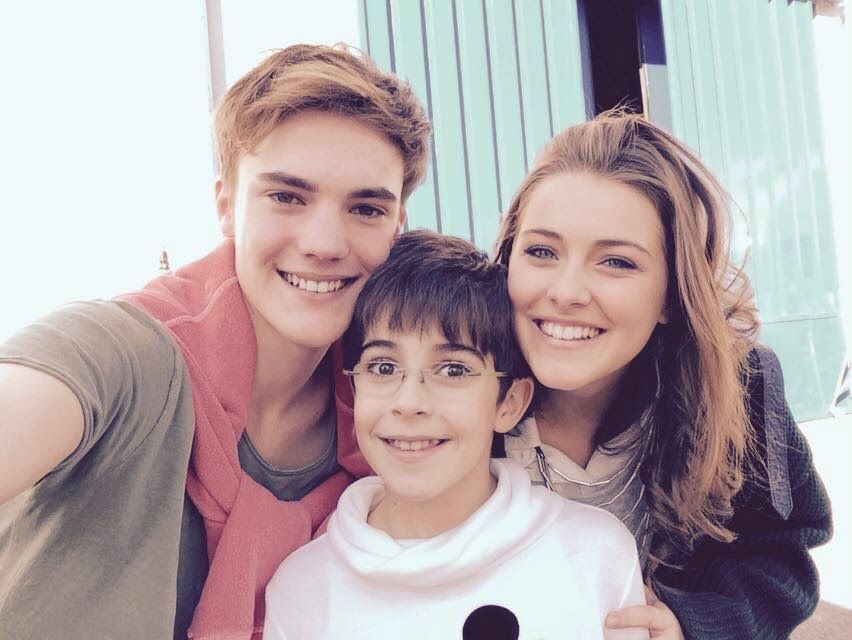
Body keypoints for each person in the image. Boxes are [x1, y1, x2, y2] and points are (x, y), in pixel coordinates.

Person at [0, 44, 431, 640]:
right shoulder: (127, 356)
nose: (325, 243)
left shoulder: (398, 422)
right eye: (287, 197)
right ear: (227, 206)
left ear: (397, 226)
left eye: (366, 208)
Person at [493, 111, 833, 639]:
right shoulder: (453, 383)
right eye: (542, 251)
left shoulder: (738, 389)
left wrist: (689, 623)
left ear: (672, 294)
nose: (566, 291)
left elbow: (779, 560)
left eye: (616, 262)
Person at [264, 230, 649, 640]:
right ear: (355, 388)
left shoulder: (595, 554)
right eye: (383, 367)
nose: (409, 402)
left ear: (509, 403)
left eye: (453, 370)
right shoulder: (303, 591)